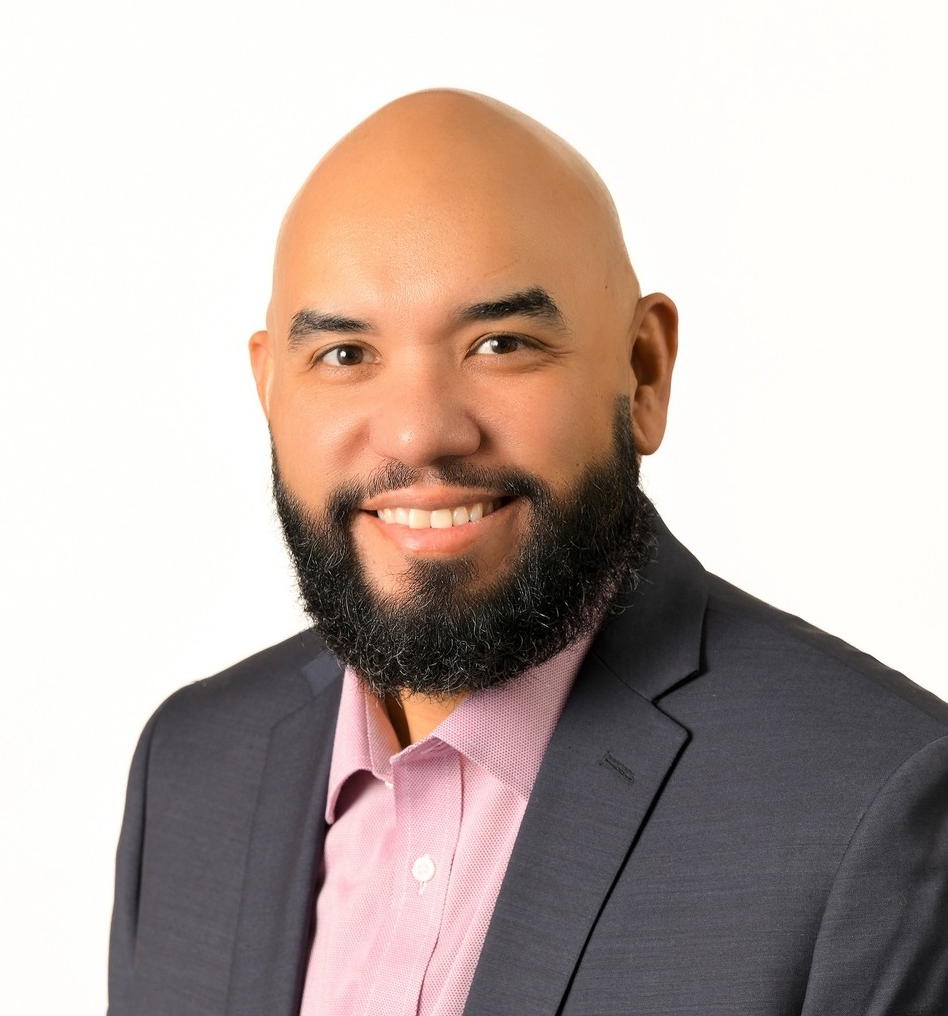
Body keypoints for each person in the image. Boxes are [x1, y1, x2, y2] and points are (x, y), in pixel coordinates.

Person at [108, 90, 948, 1015]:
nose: (420, 433)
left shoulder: (874, 809)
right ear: (270, 391)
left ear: (644, 372)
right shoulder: (192, 768)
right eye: (345, 354)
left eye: (500, 344)